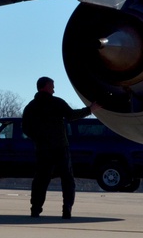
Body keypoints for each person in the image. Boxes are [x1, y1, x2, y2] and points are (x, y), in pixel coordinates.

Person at [22, 76, 98, 219]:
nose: (54, 89)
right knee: (67, 179)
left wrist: (38, 138)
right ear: (44, 87)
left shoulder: (31, 107)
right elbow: (72, 115)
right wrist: (90, 109)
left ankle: (35, 209)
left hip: (43, 149)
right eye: (52, 86)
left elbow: (25, 128)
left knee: (40, 180)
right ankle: (67, 209)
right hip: (60, 147)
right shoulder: (56, 103)